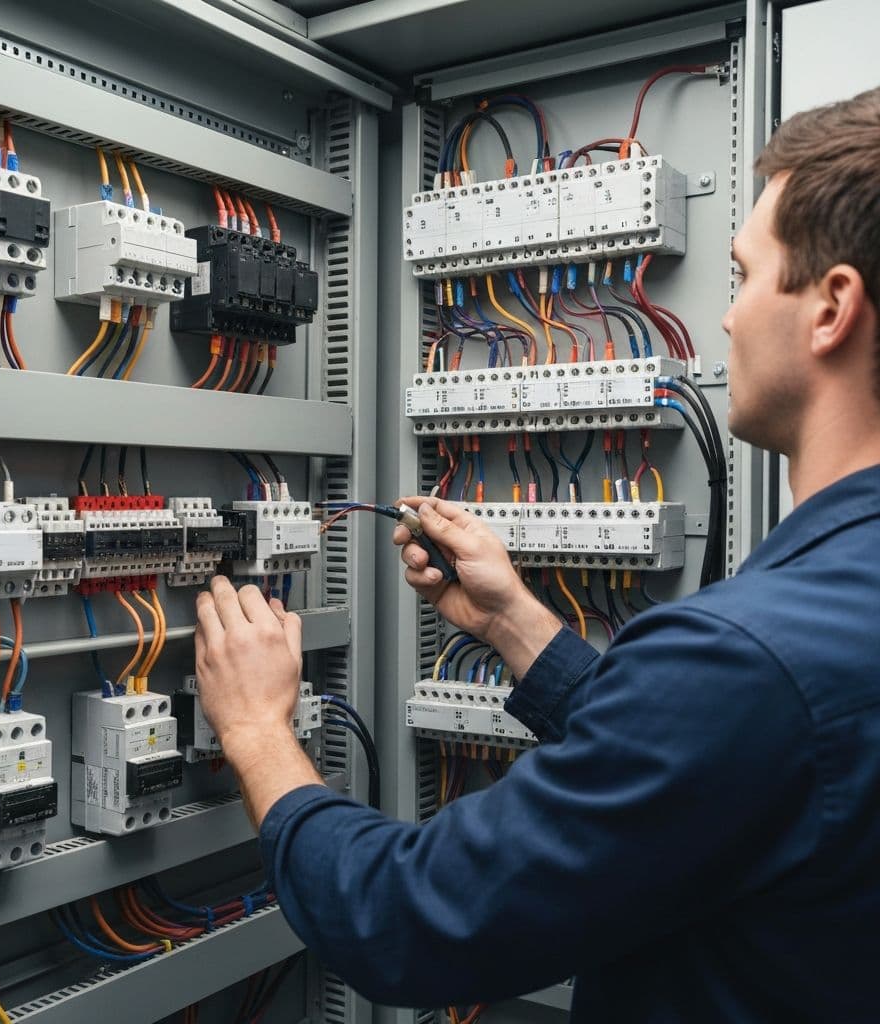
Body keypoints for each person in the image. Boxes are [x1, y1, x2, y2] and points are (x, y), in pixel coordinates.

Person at [193, 89, 880, 1022]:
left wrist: (256, 732)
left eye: (747, 274)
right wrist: (513, 620)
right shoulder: (821, 626)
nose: (724, 319)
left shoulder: (749, 658)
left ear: (832, 307)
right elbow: (716, 775)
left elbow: (409, 921)